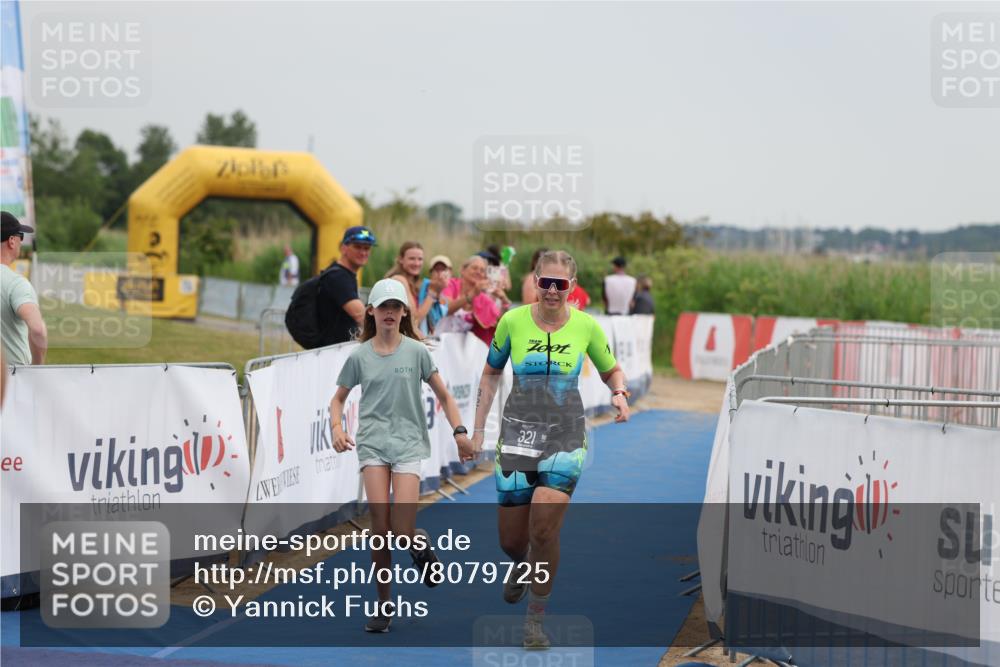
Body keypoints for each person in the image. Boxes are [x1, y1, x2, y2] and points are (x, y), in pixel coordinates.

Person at [469, 250, 631, 649]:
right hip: (518, 433)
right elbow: (490, 374)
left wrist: (620, 393)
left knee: (543, 525)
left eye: (561, 284)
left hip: (565, 433)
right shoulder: (512, 322)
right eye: (546, 282)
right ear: (535, 281)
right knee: (512, 541)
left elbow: (611, 369)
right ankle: (522, 563)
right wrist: (477, 431)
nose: (553, 291)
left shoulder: (586, 327)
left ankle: (535, 621)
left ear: (572, 287)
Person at [329, 278, 476, 633]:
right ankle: (384, 605)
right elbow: (338, 399)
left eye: (396, 307)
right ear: (372, 312)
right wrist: (336, 428)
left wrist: (460, 433)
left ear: (404, 311)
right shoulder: (360, 356)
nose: (390, 313)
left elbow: (446, 396)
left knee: (402, 530)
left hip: (409, 443)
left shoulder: (417, 352)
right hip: (373, 445)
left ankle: (418, 542)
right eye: (384, 307)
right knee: (379, 530)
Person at [1, 212, 46, 365]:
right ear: (12, 241)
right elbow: (38, 330)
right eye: (21, 236)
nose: (21, 241)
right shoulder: (16, 284)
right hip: (11, 382)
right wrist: (37, 369)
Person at [318, 226, 376, 345]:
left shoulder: (344, 274)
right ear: (343, 248)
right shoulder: (338, 277)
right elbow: (361, 316)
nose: (363, 252)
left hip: (337, 349)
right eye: (357, 247)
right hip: (331, 352)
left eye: (367, 248)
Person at [441, 255, 510, 344]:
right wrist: (472, 294)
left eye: (482, 270)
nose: (478, 272)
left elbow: (500, 322)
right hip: (441, 343)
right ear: (463, 270)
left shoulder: (482, 298)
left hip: (464, 351)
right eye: (474, 268)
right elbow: (446, 310)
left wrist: (504, 301)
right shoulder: (450, 284)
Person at [384, 241, 435, 336]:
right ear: (401, 259)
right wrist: (433, 293)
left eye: (420, 259)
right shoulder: (399, 280)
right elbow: (414, 319)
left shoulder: (415, 284)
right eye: (412, 259)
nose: (417, 263)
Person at [417, 255, 453, 336]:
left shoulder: (445, 299)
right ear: (431, 273)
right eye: (437, 269)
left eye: (443, 269)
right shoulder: (423, 286)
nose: (440, 273)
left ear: (450, 273)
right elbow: (417, 320)